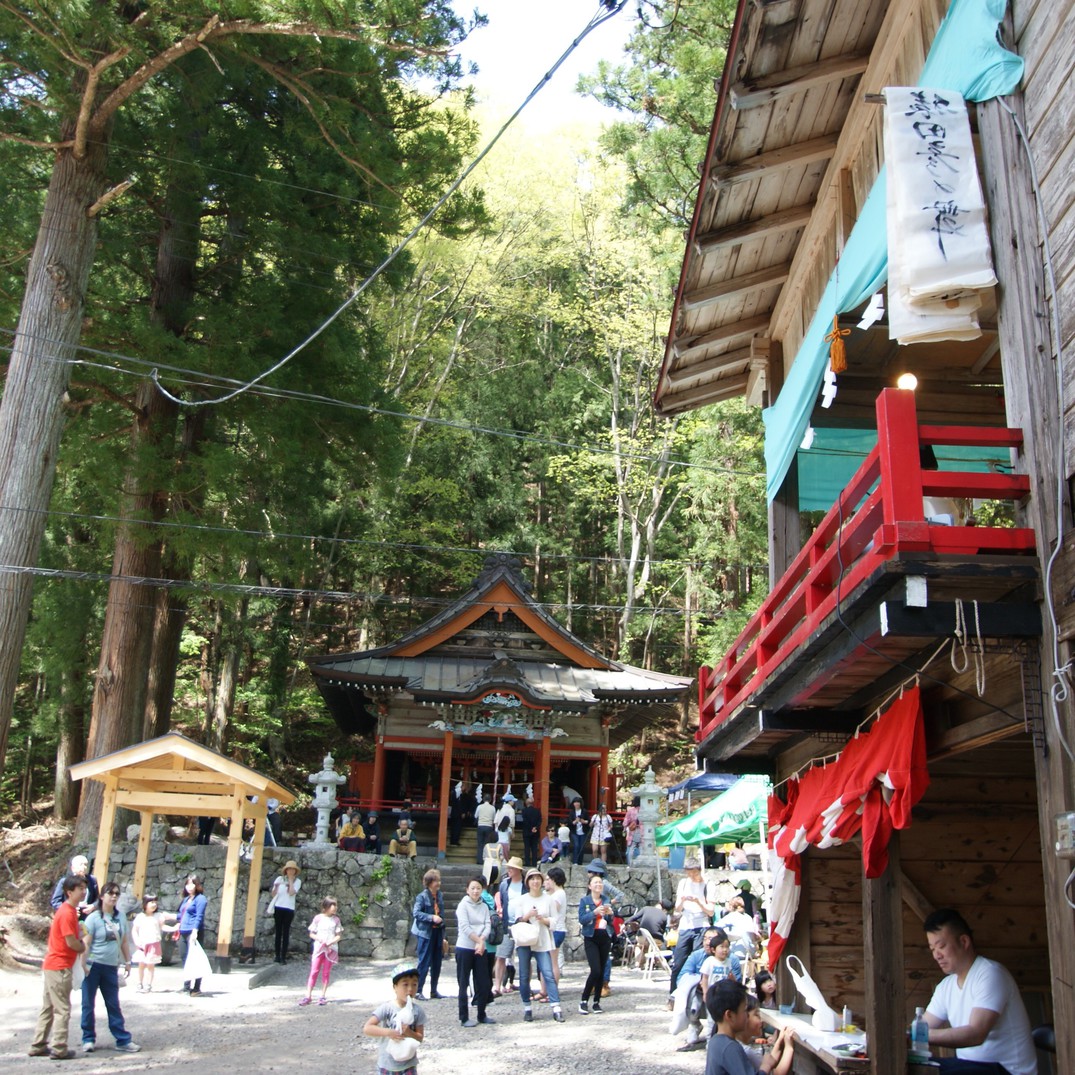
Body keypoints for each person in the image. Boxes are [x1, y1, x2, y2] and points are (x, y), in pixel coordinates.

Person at [920, 908, 1036, 1075]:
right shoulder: (945, 987)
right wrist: (906, 1035)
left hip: (1007, 1071)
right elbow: (922, 1026)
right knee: (916, 1067)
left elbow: (976, 1033)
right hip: (971, 1068)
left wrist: (921, 1036)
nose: (937, 955)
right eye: (932, 949)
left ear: (964, 941)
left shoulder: (990, 973)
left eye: (942, 946)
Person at [78, 881, 140, 1055]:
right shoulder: (93, 918)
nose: (113, 896)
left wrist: (128, 961)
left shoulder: (120, 917)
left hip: (111, 966)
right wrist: (83, 964)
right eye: (110, 893)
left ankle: (122, 1039)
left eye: (116, 893)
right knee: (88, 1004)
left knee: (113, 1004)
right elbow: (86, 942)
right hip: (93, 965)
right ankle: (88, 1038)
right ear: (101, 896)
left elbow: (124, 940)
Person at [29, 874, 87, 1059]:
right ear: (69, 892)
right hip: (60, 965)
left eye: (84, 888)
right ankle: (59, 1048)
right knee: (62, 1008)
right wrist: (83, 946)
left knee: (48, 1007)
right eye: (80, 889)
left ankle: (38, 1044)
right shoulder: (67, 912)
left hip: (52, 964)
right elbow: (71, 942)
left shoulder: (66, 911)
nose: (84, 892)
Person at [513, 867, 564, 1023]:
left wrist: (544, 920)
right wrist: (527, 916)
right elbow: (516, 921)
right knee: (523, 976)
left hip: (542, 939)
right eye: (532, 879)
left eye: (538, 879)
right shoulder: (521, 900)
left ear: (542, 881)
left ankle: (556, 1007)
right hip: (525, 940)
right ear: (527, 882)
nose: (535, 882)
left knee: (547, 973)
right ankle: (527, 1007)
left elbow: (556, 921)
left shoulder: (548, 899)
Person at [363, 961, 426, 1075]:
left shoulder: (417, 1011)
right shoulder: (387, 1008)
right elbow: (367, 1028)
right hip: (387, 1064)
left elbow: (419, 1038)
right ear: (395, 987)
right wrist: (388, 1032)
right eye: (405, 984)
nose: (410, 989)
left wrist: (408, 1032)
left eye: (414, 984)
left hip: (409, 1064)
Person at [669, 856, 717, 1004]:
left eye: (694, 873)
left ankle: (697, 998)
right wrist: (683, 900)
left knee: (698, 961)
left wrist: (698, 901)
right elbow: (677, 908)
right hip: (685, 925)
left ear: (699, 871)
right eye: (689, 873)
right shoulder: (683, 883)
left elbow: (711, 911)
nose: (692, 876)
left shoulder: (708, 884)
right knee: (679, 962)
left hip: (701, 924)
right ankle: (673, 997)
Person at [455, 876, 495, 1027]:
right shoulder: (462, 906)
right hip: (465, 947)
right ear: (467, 890)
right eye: (472, 888)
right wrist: (479, 941)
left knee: (483, 981)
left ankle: (482, 1014)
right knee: (463, 982)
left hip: (480, 947)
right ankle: (464, 1016)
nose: (476, 891)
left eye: (478, 888)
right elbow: (465, 927)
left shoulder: (484, 906)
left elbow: (487, 924)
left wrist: (482, 940)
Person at [585, 858, 622, 997]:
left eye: (590, 871)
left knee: (605, 956)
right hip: (593, 924)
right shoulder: (591, 885)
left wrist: (607, 903)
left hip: (604, 924)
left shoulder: (604, 884)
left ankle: (604, 983)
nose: (588, 873)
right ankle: (596, 982)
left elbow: (620, 895)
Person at [705, 978, 756, 1075]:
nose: (748, 1015)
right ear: (730, 1015)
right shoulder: (730, 1048)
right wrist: (766, 1067)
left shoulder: (715, 1040)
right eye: (745, 1010)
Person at [578, 870, 612, 1015]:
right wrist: (594, 912)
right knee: (596, 970)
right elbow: (582, 919)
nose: (598, 884)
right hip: (591, 937)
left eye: (600, 882)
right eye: (595, 883)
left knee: (602, 969)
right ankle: (584, 1000)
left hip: (604, 936)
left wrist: (610, 914)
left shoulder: (605, 900)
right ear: (590, 886)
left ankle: (596, 1002)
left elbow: (610, 920)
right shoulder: (585, 901)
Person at [300, 896, 343, 1006]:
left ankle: (322, 996)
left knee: (326, 972)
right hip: (319, 948)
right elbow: (311, 933)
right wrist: (319, 939)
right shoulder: (318, 918)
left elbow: (338, 935)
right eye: (331, 905)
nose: (334, 908)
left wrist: (331, 942)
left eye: (335, 905)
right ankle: (308, 995)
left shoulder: (336, 920)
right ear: (326, 906)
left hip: (331, 949)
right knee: (314, 971)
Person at [410, 868, 445, 1001]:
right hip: (425, 933)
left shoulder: (440, 895)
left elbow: (441, 914)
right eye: (436, 881)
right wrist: (431, 917)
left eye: (439, 880)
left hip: (437, 932)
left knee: (437, 962)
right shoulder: (422, 896)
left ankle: (434, 990)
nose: (438, 883)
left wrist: (444, 936)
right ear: (429, 882)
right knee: (424, 962)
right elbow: (416, 913)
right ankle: (418, 991)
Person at [492, 857, 525, 997]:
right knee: (501, 955)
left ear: (518, 870)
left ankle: (525, 985)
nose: (508, 870)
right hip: (507, 924)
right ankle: (497, 986)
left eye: (511, 868)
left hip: (523, 924)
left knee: (524, 957)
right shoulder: (504, 885)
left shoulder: (526, 885)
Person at [130, 894, 176, 993]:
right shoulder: (140, 917)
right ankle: (139, 983)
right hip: (142, 944)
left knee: (150, 965)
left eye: (155, 902)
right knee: (141, 964)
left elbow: (162, 927)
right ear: (145, 904)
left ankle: (148, 985)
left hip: (154, 943)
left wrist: (173, 929)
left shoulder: (158, 916)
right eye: (151, 902)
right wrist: (137, 941)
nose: (154, 904)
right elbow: (134, 930)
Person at [177, 874, 208, 996]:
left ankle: (196, 987)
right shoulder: (186, 899)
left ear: (197, 885)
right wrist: (169, 916)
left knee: (196, 958)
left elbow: (199, 916)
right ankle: (186, 986)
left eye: (192, 884)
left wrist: (195, 930)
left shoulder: (201, 899)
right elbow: (181, 915)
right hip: (183, 930)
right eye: (188, 884)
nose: (190, 887)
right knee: (184, 957)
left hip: (193, 931)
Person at [268, 860, 302, 963]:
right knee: (278, 931)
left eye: (292, 869)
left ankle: (283, 956)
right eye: (289, 869)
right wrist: (277, 886)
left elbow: (292, 893)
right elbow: (273, 894)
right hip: (278, 907)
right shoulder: (280, 879)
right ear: (286, 870)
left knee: (285, 932)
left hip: (289, 908)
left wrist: (291, 881)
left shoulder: (297, 881)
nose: (290, 871)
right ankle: (277, 955)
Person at [49, 854, 98, 920]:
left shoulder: (92, 880)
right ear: (73, 868)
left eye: (85, 865)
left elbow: (98, 899)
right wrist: (69, 910)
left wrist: (93, 906)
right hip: (69, 916)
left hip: (87, 916)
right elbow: (55, 901)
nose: (84, 867)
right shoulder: (65, 881)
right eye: (81, 864)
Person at [544, 867, 568, 987]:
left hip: (556, 930)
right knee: (551, 961)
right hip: (557, 930)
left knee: (553, 962)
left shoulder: (558, 894)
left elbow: (552, 911)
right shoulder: (559, 893)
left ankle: (553, 989)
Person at [519, 796, 542, 866]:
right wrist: (535, 828)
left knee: (527, 848)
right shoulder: (537, 811)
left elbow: (525, 821)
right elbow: (540, 820)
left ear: (526, 803)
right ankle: (534, 863)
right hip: (535, 832)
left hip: (527, 831)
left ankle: (527, 862)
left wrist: (530, 828)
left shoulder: (524, 811)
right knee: (534, 848)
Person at [474, 793, 496, 865]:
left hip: (480, 825)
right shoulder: (492, 808)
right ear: (490, 800)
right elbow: (494, 818)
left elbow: (475, 815)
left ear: (483, 799)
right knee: (487, 844)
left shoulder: (479, 807)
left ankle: (479, 860)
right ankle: (486, 859)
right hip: (489, 826)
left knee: (480, 844)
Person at [494, 794, 516, 862]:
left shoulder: (500, 808)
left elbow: (495, 821)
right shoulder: (511, 810)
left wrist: (496, 829)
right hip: (507, 830)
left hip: (498, 831)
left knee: (498, 849)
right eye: (513, 801)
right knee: (507, 848)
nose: (513, 802)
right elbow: (512, 822)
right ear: (509, 801)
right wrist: (513, 832)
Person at [568, 797, 588, 865]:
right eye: (575, 802)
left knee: (581, 847)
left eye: (578, 802)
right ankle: (575, 861)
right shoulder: (571, 812)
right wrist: (575, 821)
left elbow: (588, 820)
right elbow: (570, 822)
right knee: (576, 845)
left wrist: (583, 821)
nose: (576, 804)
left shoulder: (584, 811)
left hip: (583, 831)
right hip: (574, 831)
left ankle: (580, 862)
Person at [623, 795, 642, 862]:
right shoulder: (644, 811)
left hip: (633, 830)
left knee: (631, 847)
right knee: (641, 847)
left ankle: (630, 863)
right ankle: (641, 863)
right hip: (642, 831)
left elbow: (625, 823)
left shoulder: (630, 811)